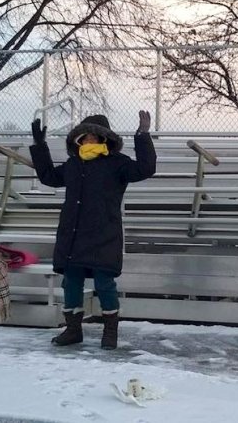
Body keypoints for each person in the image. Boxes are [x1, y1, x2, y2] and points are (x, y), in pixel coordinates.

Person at [29, 111, 156, 349]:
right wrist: (39, 145)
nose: (87, 141)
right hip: (74, 234)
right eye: (83, 137)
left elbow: (146, 169)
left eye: (92, 137)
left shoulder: (118, 164)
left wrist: (143, 135)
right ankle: (73, 329)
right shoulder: (74, 164)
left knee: (104, 284)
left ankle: (110, 332)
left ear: (102, 139)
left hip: (103, 235)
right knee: (71, 283)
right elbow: (47, 176)